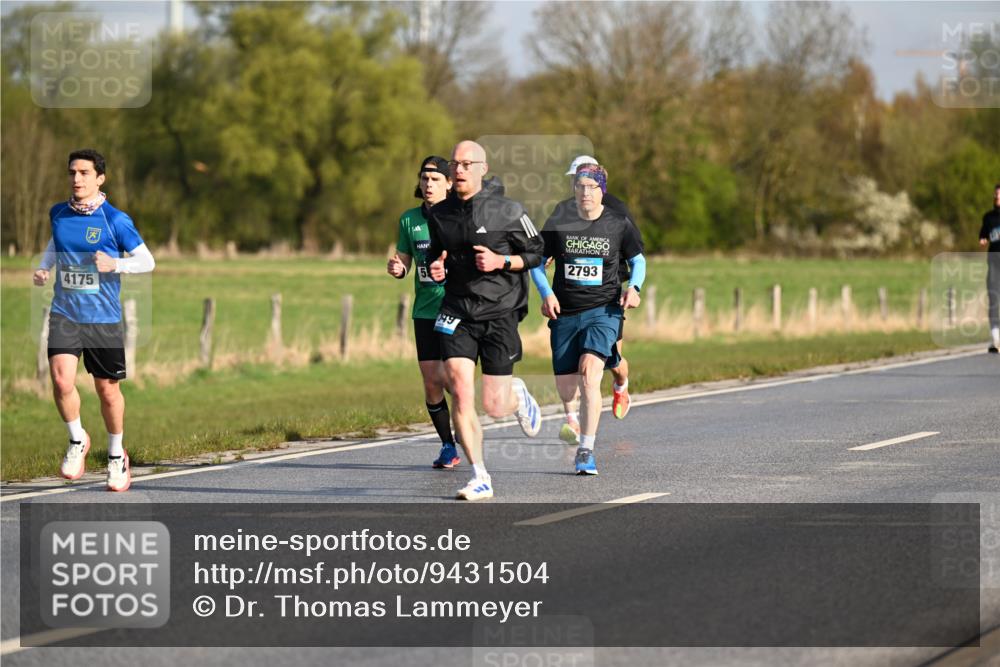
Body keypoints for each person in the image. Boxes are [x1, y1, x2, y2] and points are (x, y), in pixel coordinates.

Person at [426, 140, 545, 501]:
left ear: (482, 168)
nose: (458, 170)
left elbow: (537, 252)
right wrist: (436, 268)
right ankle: (480, 476)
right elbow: (437, 255)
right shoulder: (439, 214)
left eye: (466, 164)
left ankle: (518, 396)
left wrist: (501, 262)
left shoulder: (508, 210)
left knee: (494, 404)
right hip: (457, 310)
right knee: (460, 389)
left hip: (500, 312)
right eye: (454, 164)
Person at [32, 149, 156, 492]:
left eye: (84, 173)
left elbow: (148, 262)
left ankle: (116, 455)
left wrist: (116, 265)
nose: (76, 179)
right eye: (72, 172)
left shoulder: (115, 220)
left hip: (103, 318)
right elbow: (55, 244)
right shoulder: (58, 213)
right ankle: (78, 440)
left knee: (107, 390)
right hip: (65, 313)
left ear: (99, 178)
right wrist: (45, 268)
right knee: (60, 381)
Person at [531, 164, 646, 475]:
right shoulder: (560, 220)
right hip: (564, 312)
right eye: (579, 186)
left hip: (603, 310)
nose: (584, 192)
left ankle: (586, 449)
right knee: (568, 390)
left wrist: (634, 288)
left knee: (589, 372)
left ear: (602, 191)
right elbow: (536, 263)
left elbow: (638, 260)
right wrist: (546, 293)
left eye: (591, 187)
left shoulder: (618, 222)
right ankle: (580, 418)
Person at [387, 156, 462, 468]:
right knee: (431, 381)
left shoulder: (460, 216)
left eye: (434, 180)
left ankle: (469, 423)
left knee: (454, 377)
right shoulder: (409, 220)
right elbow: (405, 259)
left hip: (457, 306)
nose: (428, 185)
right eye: (424, 179)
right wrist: (398, 267)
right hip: (424, 309)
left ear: (448, 183)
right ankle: (448, 446)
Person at [980, 183, 1000, 354]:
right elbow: (983, 235)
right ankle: (995, 338)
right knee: (993, 299)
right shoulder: (988, 218)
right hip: (993, 263)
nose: (997, 198)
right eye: (996, 195)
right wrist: (983, 240)